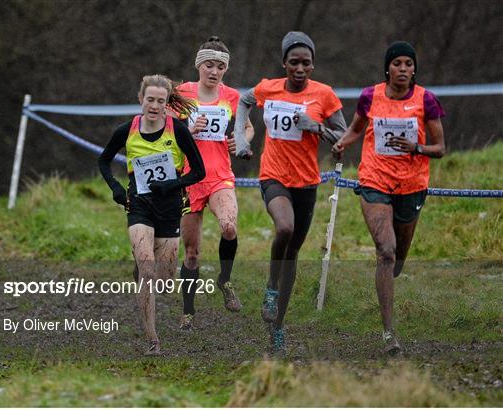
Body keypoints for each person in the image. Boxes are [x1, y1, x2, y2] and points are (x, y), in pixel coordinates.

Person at [234, 31, 346, 353]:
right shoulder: (269, 87)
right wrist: (241, 139)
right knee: (285, 227)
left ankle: (278, 326)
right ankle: (271, 287)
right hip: (273, 175)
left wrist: (317, 127)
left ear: (312, 66)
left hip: (306, 182)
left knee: (293, 254)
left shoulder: (324, 95)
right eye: (294, 62)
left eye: (306, 63)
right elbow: (244, 101)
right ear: (284, 63)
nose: (300, 68)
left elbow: (342, 135)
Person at [331, 41, 446, 354]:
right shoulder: (371, 96)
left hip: (411, 186)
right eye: (398, 64)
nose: (403, 70)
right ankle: (388, 333)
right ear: (387, 68)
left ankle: (390, 278)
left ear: (414, 69)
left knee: (397, 260)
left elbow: (440, 148)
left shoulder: (426, 100)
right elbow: (356, 129)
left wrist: (417, 148)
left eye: (409, 64)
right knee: (386, 250)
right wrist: (342, 143)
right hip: (374, 182)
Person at [98, 74, 205, 356]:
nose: (154, 106)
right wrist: (116, 188)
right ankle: (153, 341)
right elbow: (103, 160)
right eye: (150, 100)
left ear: (167, 103)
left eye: (160, 100)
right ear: (140, 99)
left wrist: (173, 184)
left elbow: (199, 171)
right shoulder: (127, 130)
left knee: (165, 280)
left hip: (170, 210)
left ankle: (143, 269)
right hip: (139, 207)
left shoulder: (178, 130)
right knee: (147, 270)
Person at [175, 36, 255, 330]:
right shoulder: (181, 93)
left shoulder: (233, 96)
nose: (214, 71)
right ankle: (188, 311)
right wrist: (186, 128)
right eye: (209, 65)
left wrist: (242, 140)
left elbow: (247, 126)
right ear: (199, 66)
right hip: (188, 179)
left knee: (230, 227)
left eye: (220, 67)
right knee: (192, 252)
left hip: (220, 175)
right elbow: (163, 127)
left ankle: (225, 279)